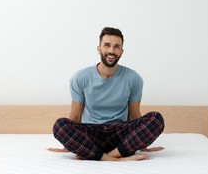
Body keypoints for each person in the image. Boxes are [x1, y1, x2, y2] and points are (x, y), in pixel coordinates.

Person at [50, 27, 164, 161]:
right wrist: (67, 145)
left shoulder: (133, 78)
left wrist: (142, 143)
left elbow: (134, 115)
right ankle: (117, 158)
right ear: (99, 49)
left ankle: (107, 156)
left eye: (116, 47)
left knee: (156, 118)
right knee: (60, 125)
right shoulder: (80, 77)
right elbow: (76, 114)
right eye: (107, 45)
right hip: (91, 133)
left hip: (120, 134)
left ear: (121, 52)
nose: (111, 50)